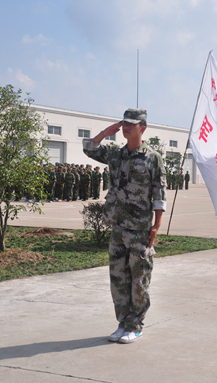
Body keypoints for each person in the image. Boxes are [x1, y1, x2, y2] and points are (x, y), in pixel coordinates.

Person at [83, 108, 166, 344]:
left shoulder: (152, 157)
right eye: (124, 123)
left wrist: (156, 225)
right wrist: (106, 132)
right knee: (118, 279)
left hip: (139, 228)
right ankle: (122, 323)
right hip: (117, 227)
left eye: (132, 123)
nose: (126, 127)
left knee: (139, 279)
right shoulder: (116, 154)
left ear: (143, 128)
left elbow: (159, 194)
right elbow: (89, 148)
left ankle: (135, 325)